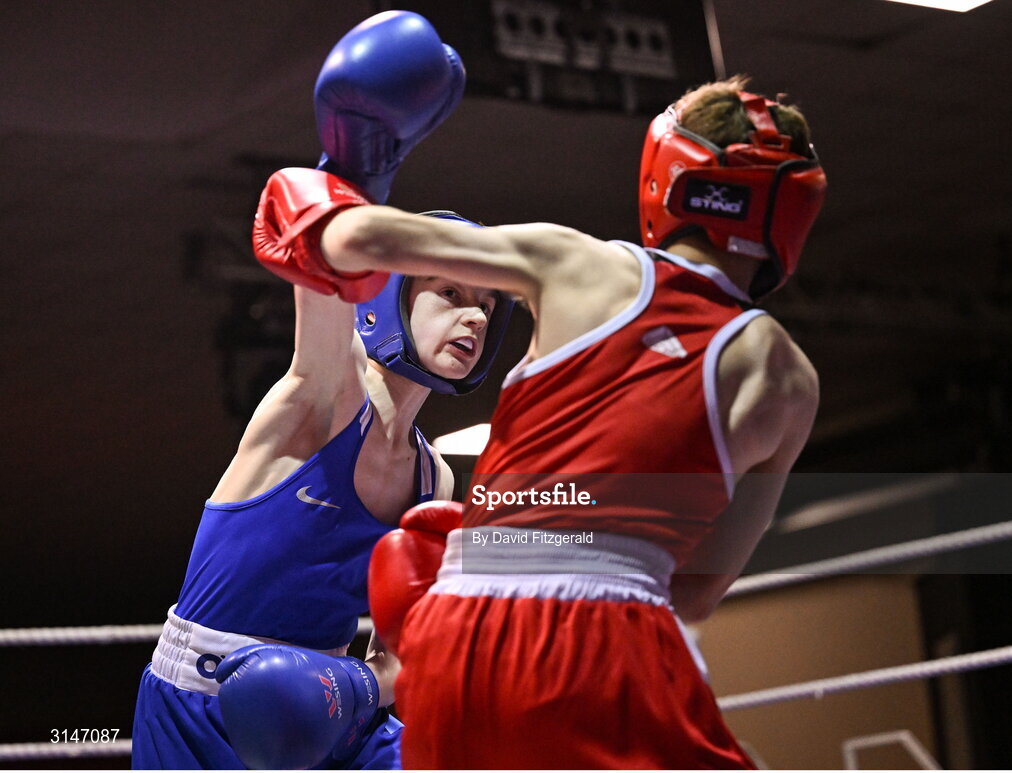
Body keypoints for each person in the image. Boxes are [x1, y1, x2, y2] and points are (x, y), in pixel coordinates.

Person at [250, 73, 826, 768]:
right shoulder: (788, 379)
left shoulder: (574, 261)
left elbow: (344, 238)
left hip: (456, 629)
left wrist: (337, 166)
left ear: (666, 175)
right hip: (611, 638)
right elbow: (694, 594)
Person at [130, 12, 514, 770]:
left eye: (486, 304)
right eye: (447, 291)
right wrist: (363, 164)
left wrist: (366, 684)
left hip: (333, 709)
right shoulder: (323, 398)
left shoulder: (432, 475)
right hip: (200, 716)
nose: (472, 314)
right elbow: (323, 282)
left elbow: (403, 656)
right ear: (388, 301)